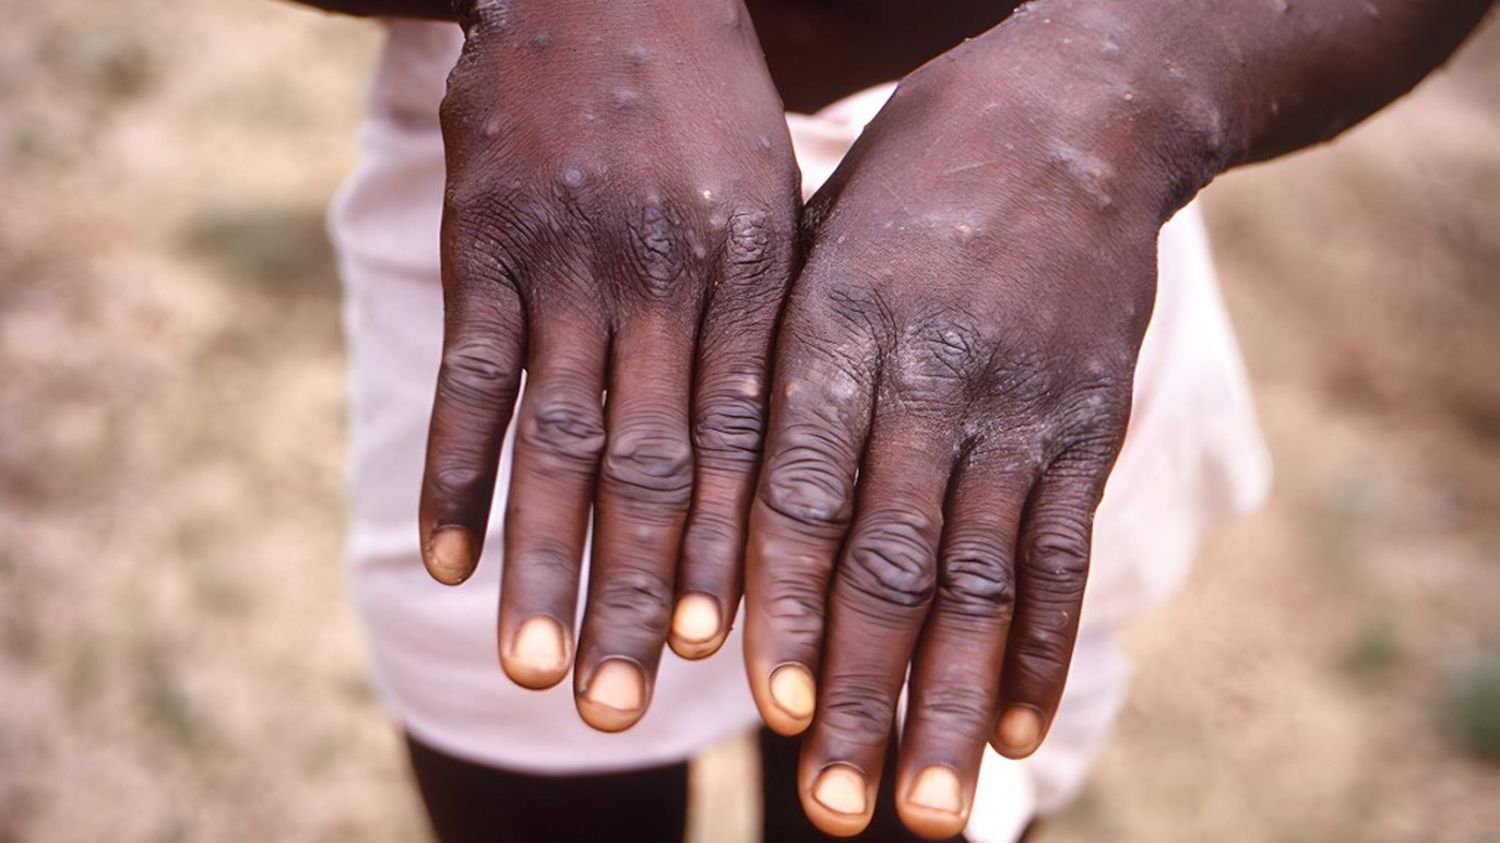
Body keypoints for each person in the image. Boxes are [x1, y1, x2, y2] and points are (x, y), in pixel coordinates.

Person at [282, 0, 1493, 839]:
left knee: (906, 774)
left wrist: (1115, 93)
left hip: (1021, 228)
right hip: (570, 159)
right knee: (527, 749)